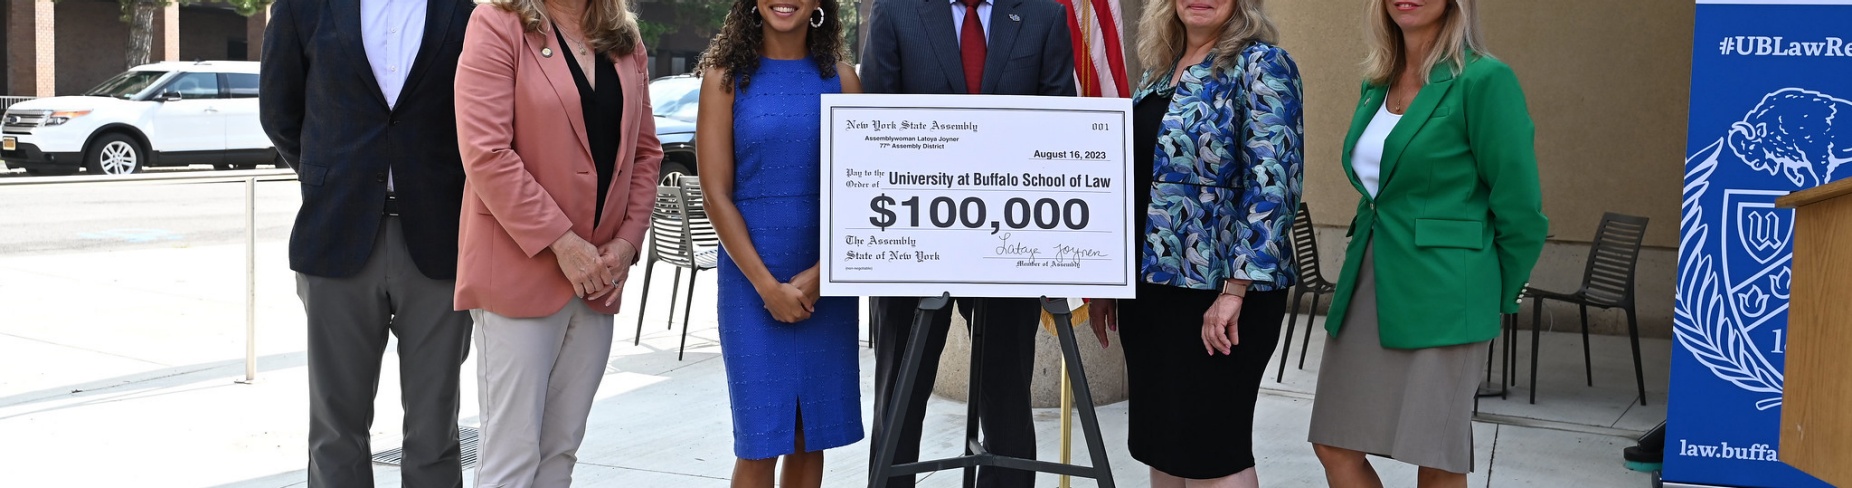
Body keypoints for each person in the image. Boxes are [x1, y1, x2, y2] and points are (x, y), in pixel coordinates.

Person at [1307, 0, 1547, 486]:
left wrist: (1494, 295)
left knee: (1434, 456)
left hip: (1448, 293)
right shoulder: (1378, 82)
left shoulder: (1484, 80)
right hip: (1368, 282)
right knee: (1334, 442)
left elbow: (1521, 209)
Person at [858, 0, 1076, 485]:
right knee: (900, 401)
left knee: (1007, 407)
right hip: (913, 249)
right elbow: (872, 128)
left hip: (1009, 249)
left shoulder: (1044, 16)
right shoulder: (896, 12)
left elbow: (1061, 129)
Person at [1085, 0, 1303, 485]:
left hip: (1222, 296)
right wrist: (1106, 277)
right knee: (1162, 444)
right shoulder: (1159, 73)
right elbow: (1133, 184)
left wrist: (1233, 291)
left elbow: (1275, 186)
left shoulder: (1262, 65)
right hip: (1152, 292)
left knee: (1212, 450)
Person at [258, 0, 476, 485]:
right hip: (337, 236)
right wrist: (335, 178)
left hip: (441, 242)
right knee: (336, 431)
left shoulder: (466, 11)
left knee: (435, 430)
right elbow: (278, 112)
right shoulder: (302, 9)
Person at [452, 0, 662, 484]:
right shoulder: (497, 23)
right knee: (511, 457)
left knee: (561, 453)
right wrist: (563, 244)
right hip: (518, 274)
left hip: (599, 279)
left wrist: (629, 242)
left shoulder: (625, 39)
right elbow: (485, 152)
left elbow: (647, 151)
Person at [692, 0, 866, 487]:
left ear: (818, 5)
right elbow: (715, 194)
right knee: (760, 442)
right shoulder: (723, 79)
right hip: (752, 284)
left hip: (825, 284)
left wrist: (820, 276)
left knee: (812, 439)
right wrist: (768, 286)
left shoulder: (845, 80)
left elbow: (862, 193)